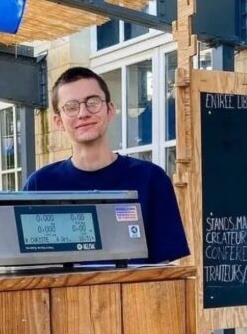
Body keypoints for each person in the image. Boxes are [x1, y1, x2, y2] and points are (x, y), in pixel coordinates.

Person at [23, 67, 189, 264]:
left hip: (136, 294)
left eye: (93, 102)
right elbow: (30, 268)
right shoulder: (40, 186)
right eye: (71, 107)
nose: (83, 113)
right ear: (58, 121)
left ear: (110, 110)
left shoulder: (151, 179)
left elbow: (164, 269)